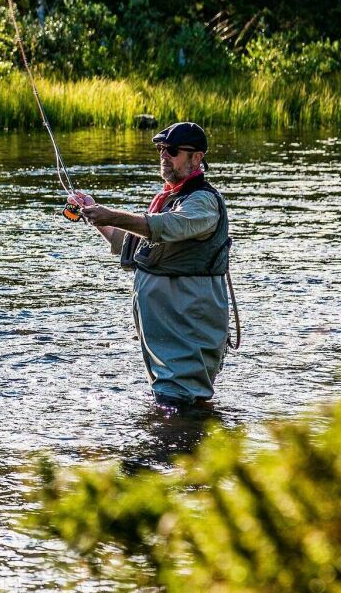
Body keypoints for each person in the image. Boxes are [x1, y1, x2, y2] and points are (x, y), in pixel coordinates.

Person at [68, 122, 231, 407]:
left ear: (197, 157)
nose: (164, 156)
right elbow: (127, 242)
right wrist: (93, 212)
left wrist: (112, 215)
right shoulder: (168, 201)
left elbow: (165, 226)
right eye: (160, 150)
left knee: (181, 407)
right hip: (166, 338)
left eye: (172, 150)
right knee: (172, 404)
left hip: (186, 330)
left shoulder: (202, 202)